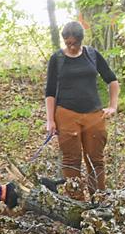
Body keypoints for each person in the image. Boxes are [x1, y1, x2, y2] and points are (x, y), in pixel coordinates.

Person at [44, 21, 119, 198]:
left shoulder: (92, 55)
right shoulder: (57, 59)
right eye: (67, 43)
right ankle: (76, 202)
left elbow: (112, 80)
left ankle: (98, 200)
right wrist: (50, 119)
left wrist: (113, 106)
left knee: (96, 160)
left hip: (94, 113)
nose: (71, 46)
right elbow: (50, 91)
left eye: (74, 43)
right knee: (71, 160)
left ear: (81, 40)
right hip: (66, 113)